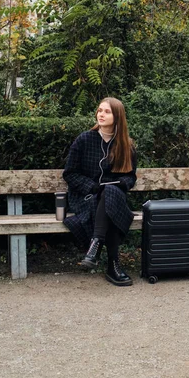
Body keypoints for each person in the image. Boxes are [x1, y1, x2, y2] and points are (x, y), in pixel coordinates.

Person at [63, 97, 137, 287]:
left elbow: (131, 177)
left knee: (110, 193)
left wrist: (121, 183)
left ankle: (94, 247)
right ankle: (113, 265)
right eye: (99, 110)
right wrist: (92, 186)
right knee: (108, 203)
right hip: (85, 197)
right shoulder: (84, 139)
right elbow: (70, 174)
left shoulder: (125, 144)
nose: (101, 115)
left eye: (107, 111)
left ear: (117, 116)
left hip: (113, 196)